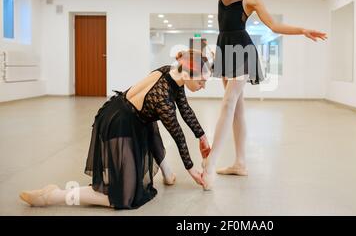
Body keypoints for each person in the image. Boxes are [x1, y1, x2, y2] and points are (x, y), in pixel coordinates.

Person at [169, 0, 328, 190]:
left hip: (243, 49)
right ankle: (240, 163)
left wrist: (302, 29)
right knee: (237, 107)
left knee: (228, 102)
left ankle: (210, 165)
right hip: (224, 48)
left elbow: (275, 26)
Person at [19, 49, 212, 209]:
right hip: (120, 123)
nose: (203, 86)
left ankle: (167, 173)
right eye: (201, 81)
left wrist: (202, 136)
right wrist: (192, 169)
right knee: (123, 198)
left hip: (133, 115)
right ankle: (53, 195)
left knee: (150, 122)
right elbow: (177, 134)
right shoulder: (162, 99)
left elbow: (185, 109)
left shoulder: (174, 73)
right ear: (188, 73)